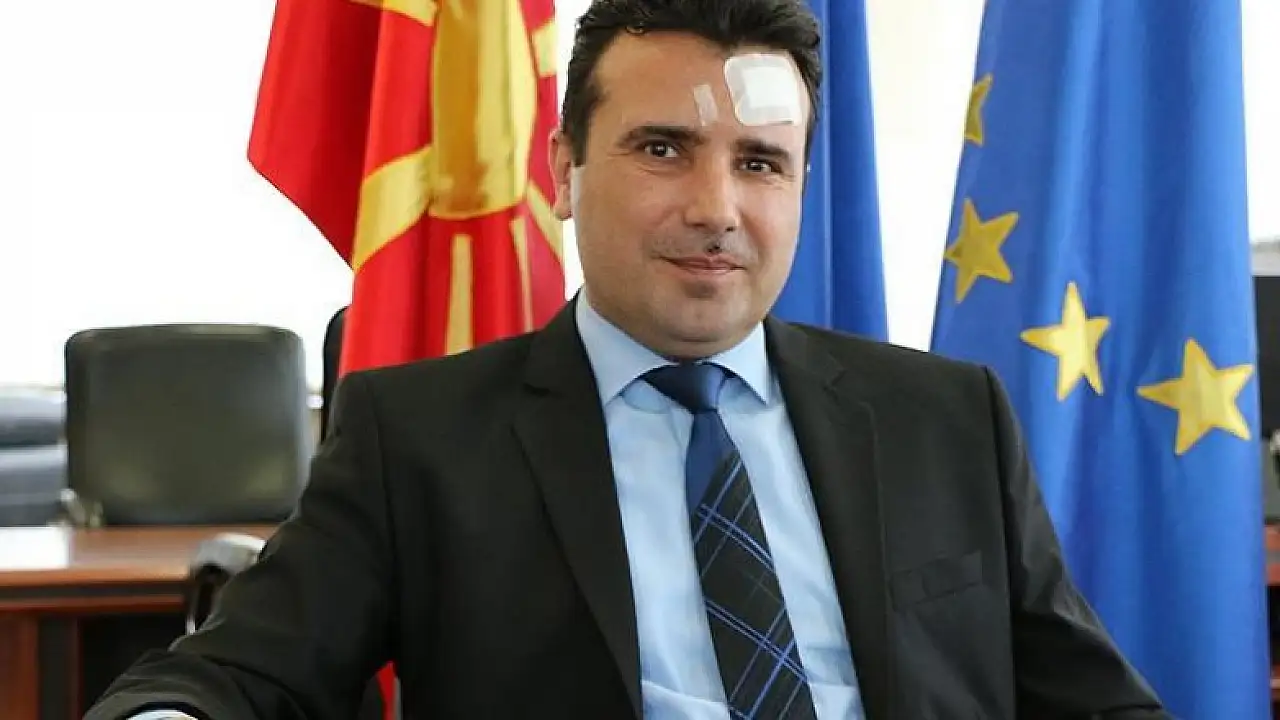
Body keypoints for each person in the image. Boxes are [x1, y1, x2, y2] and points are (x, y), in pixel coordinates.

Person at [88, 0, 1169, 718]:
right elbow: (238, 676)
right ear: (563, 169)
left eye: (760, 162)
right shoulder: (418, 440)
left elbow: (1092, 700)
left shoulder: (944, 417)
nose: (716, 208)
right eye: (662, 149)